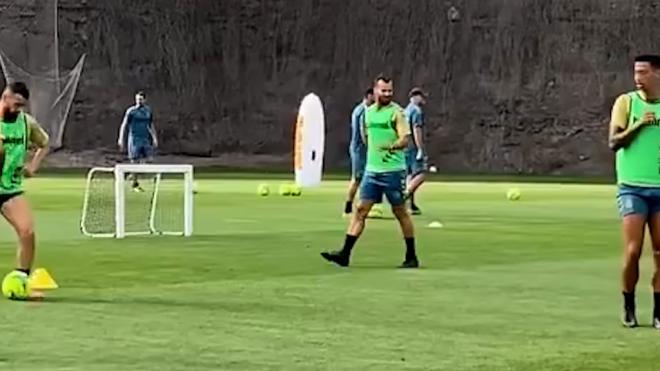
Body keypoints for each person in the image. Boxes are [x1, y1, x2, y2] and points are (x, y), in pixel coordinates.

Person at [322, 76, 419, 268]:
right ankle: (345, 254)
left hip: (393, 172)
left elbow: (405, 139)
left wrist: (392, 146)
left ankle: (411, 256)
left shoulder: (397, 112)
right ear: (375, 91)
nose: (387, 94)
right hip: (372, 171)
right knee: (360, 211)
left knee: (400, 212)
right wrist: (374, 155)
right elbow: (366, 137)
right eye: (383, 91)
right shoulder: (367, 113)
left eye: (390, 91)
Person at [609, 54, 660, 329]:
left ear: (657, 74)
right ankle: (628, 305)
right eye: (636, 73)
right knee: (632, 251)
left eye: (644, 73)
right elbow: (613, 142)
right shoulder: (626, 103)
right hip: (633, 188)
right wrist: (639, 124)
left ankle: (658, 312)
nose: (638, 78)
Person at [0, 82, 50, 292]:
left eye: (22, 105)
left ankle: (21, 278)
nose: (18, 109)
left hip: (9, 188)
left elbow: (44, 143)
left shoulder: (26, 123)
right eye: (16, 104)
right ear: (5, 97)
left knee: (27, 231)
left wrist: (32, 166)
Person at [117, 91, 158, 192]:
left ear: (145, 100)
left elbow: (151, 125)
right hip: (134, 139)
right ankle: (135, 184)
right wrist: (121, 138)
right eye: (137, 99)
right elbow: (124, 125)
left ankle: (132, 174)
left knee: (149, 159)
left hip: (145, 139)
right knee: (134, 161)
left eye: (140, 99)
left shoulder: (148, 111)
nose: (138, 101)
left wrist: (154, 138)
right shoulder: (131, 111)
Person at [344, 88, 374, 216]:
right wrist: (370, 145)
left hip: (360, 149)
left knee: (365, 178)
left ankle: (362, 205)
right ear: (369, 96)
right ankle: (349, 206)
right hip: (359, 150)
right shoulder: (363, 111)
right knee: (357, 178)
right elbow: (363, 131)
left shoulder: (359, 109)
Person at [404, 87, 428, 215]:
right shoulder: (416, 111)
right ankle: (405, 195)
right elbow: (416, 130)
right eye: (422, 96)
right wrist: (420, 148)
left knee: (409, 175)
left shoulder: (405, 110)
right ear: (416, 96)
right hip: (412, 147)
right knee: (421, 174)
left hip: (404, 147)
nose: (424, 99)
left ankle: (410, 205)